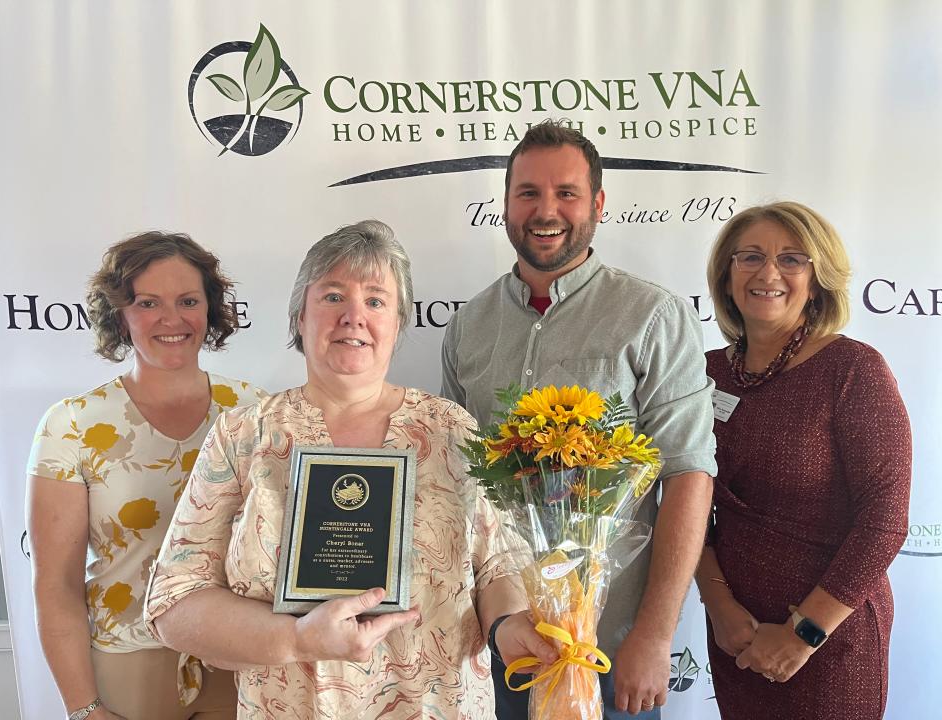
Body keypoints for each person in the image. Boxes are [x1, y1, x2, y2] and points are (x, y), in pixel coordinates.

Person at [144, 220, 556, 719]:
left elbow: (499, 565)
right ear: (299, 316)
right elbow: (174, 602)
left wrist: (509, 625)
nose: (354, 317)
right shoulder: (244, 435)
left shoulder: (450, 429)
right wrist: (295, 639)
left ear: (399, 324)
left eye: (376, 301)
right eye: (333, 296)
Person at [441, 120, 717, 718]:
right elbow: (458, 489)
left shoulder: (652, 315)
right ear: (507, 203)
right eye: (528, 193)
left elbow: (689, 477)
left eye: (566, 193)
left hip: (614, 645)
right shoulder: (470, 326)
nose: (546, 211)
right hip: (502, 644)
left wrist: (654, 635)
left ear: (596, 204)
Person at [26, 232, 265, 720]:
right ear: (119, 313)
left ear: (210, 309)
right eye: (148, 302)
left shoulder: (255, 412)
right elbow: (56, 586)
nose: (171, 319)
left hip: (242, 659)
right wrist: (84, 708)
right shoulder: (72, 424)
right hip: (128, 666)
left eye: (188, 301)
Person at [696, 201, 911, 718]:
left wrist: (804, 633)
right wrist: (720, 608)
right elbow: (687, 501)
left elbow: (885, 519)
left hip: (829, 638)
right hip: (736, 638)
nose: (768, 273)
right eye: (750, 257)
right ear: (727, 276)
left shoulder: (853, 370)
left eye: (792, 259)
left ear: (817, 282)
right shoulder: (703, 375)